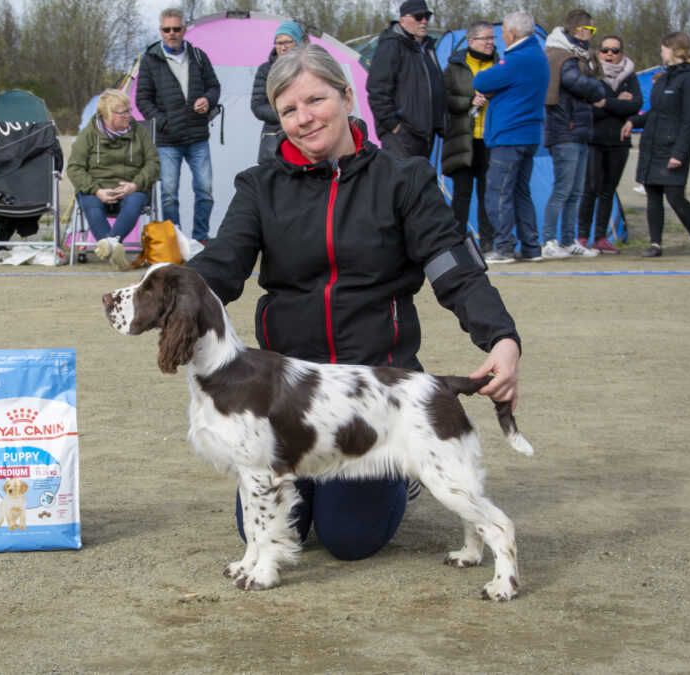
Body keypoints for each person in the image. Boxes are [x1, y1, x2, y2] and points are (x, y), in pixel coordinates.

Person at [186, 44, 522, 562]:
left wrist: (500, 336)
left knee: (348, 540)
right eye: (288, 111)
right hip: (286, 398)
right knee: (260, 524)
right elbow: (222, 267)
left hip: (374, 395)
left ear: (347, 97)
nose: (304, 119)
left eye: (315, 100)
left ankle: (403, 470)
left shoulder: (404, 179)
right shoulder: (259, 187)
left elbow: (452, 267)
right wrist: (174, 292)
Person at [136, 8, 221, 244]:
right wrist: (163, 122)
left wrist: (208, 99)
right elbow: (142, 99)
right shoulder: (150, 60)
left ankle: (200, 238)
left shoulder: (199, 56)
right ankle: (177, 241)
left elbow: (214, 86)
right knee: (169, 195)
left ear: (184, 29)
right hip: (167, 140)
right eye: (167, 29)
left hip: (197, 136)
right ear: (160, 31)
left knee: (205, 191)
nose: (172, 33)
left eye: (176, 28)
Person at [473, 11, 550, 264]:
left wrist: (495, 88)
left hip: (509, 136)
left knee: (498, 192)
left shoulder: (517, 59)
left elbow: (482, 80)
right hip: (529, 135)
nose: (501, 36)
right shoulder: (538, 55)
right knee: (520, 192)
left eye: (503, 31)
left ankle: (504, 247)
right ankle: (531, 247)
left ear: (513, 33)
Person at [621, 32, 690, 258]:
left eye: (664, 48)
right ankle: (655, 244)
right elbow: (656, 113)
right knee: (652, 195)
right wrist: (633, 121)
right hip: (652, 145)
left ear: (674, 50)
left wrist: (679, 152)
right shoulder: (662, 77)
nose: (661, 52)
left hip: (672, 147)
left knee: (675, 197)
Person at [66, 89, 161, 271]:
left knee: (136, 200)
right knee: (90, 203)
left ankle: (110, 244)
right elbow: (74, 167)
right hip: (96, 189)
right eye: (122, 112)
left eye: (128, 110)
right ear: (106, 114)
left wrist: (135, 185)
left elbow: (153, 162)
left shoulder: (139, 132)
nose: (128, 116)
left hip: (129, 189)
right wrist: (96, 190)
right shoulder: (89, 134)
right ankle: (113, 247)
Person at [540, 10, 606, 260]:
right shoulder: (561, 56)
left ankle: (568, 240)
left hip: (579, 132)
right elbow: (583, 84)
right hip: (565, 131)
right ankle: (548, 240)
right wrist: (599, 89)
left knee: (575, 191)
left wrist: (596, 88)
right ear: (581, 30)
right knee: (562, 190)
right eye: (591, 30)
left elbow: (590, 86)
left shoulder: (578, 56)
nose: (591, 35)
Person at [577, 35, 642, 254]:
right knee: (590, 189)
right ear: (599, 52)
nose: (610, 54)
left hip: (619, 142)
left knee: (608, 191)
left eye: (615, 50)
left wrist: (605, 102)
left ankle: (601, 237)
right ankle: (582, 237)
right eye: (605, 50)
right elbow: (588, 109)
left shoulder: (629, 76)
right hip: (594, 140)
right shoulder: (590, 74)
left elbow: (635, 105)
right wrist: (617, 103)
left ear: (622, 53)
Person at [366, 0, 446, 159]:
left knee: (419, 182)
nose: (424, 21)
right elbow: (377, 89)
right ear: (402, 21)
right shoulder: (391, 45)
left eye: (426, 16)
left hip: (425, 133)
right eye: (418, 17)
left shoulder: (427, 48)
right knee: (401, 182)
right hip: (402, 134)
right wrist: (393, 124)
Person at [442, 20, 498, 247]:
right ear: (472, 40)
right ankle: (458, 242)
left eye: (492, 38)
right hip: (462, 139)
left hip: (491, 139)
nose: (491, 43)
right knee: (462, 193)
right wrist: (468, 101)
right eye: (486, 38)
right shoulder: (454, 67)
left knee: (489, 194)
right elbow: (444, 100)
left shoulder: (500, 64)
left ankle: (488, 242)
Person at [251, 21, 302, 164]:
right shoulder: (265, 70)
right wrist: (286, 114)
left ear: (297, 43)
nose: (283, 47)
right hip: (272, 141)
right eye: (278, 43)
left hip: (303, 135)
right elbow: (257, 106)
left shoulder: (309, 67)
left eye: (287, 42)